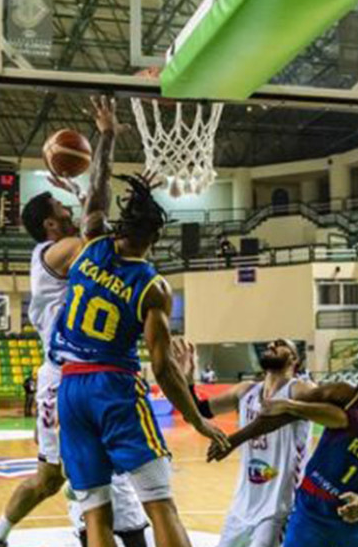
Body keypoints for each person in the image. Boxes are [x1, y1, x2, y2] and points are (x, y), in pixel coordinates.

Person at [0, 96, 148, 547]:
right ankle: (3, 534)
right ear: (50, 227)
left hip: (90, 375)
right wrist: (106, 139)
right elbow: (95, 217)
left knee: (54, 478)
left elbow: (94, 218)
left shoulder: (68, 248)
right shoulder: (50, 255)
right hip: (64, 381)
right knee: (66, 477)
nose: (68, 210)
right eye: (61, 210)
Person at [51, 165, 229, 545]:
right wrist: (196, 419)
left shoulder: (93, 242)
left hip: (70, 387)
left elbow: (96, 196)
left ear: (121, 224)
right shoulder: (153, 286)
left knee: (96, 514)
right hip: (113, 389)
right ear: (155, 237)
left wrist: (108, 135)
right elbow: (163, 368)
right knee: (160, 505)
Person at [211, 353, 358, 547]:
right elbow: (283, 416)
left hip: (355, 517)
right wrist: (235, 439)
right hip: (310, 511)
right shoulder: (344, 395)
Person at [184, 338, 313, 547]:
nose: (271, 345)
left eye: (280, 344)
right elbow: (198, 412)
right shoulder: (246, 391)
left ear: (294, 359)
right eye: (270, 344)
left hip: (278, 508)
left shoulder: (299, 390)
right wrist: (188, 378)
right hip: (242, 505)